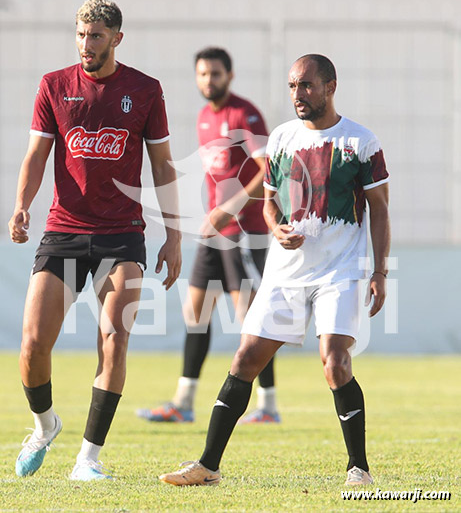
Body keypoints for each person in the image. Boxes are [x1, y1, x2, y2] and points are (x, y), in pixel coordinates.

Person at [158, 54, 390, 487]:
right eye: (292, 86)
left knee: (335, 362)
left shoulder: (362, 142)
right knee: (245, 358)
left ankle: (358, 469)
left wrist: (379, 272)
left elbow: (380, 208)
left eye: (306, 85)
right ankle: (208, 465)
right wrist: (274, 228)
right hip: (285, 272)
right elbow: (267, 200)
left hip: (340, 271)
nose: (297, 95)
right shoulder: (282, 138)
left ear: (330, 86)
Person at [8, 0, 181, 481]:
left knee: (114, 338)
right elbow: (36, 156)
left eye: (97, 36)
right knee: (32, 346)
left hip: (122, 236)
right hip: (63, 230)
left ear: (117, 39)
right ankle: (45, 426)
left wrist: (174, 235)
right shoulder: (53, 85)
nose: (87, 44)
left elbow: (164, 166)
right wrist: (22, 204)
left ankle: (88, 459)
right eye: (82, 35)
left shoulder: (144, 90)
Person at [137, 47, 280, 424]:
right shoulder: (203, 117)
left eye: (215, 74)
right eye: (202, 74)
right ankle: (183, 402)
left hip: (245, 232)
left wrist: (227, 208)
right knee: (195, 312)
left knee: (250, 319)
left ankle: (267, 406)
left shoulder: (244, 114)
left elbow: (269, 172)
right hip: (214, 231)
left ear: (229, 76)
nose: (208, 81)